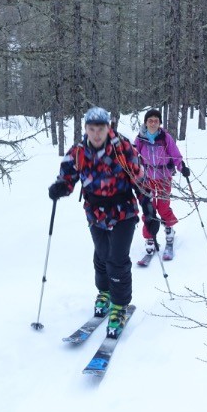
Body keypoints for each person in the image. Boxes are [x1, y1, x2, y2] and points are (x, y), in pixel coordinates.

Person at [47, 107, 159, 338]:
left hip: (123, 211)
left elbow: (141, 180)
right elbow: (68, 178)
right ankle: (105, 292)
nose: (96, 134)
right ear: (86, 129)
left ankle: (119, 306)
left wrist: (149, 212)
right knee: (101, 254)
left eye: (101, 129)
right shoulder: (78, 152)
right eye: (92, 129)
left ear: (108, 128)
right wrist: (61, 188)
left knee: (116, 259)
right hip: (95, 212)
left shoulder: (122, 148)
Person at [133, 108, 191, 265]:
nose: (153, 123)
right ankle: (150, 240)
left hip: (164, 177)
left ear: (159, 123)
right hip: (146, 179)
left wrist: (182, 167)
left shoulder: (165, 138)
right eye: (150, 120)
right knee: (149, 209)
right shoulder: (140, 139)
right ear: (146, 122)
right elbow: (131, 156)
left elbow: (176, 155)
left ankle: (169, 232)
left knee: (163, 207)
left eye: (156, 121)